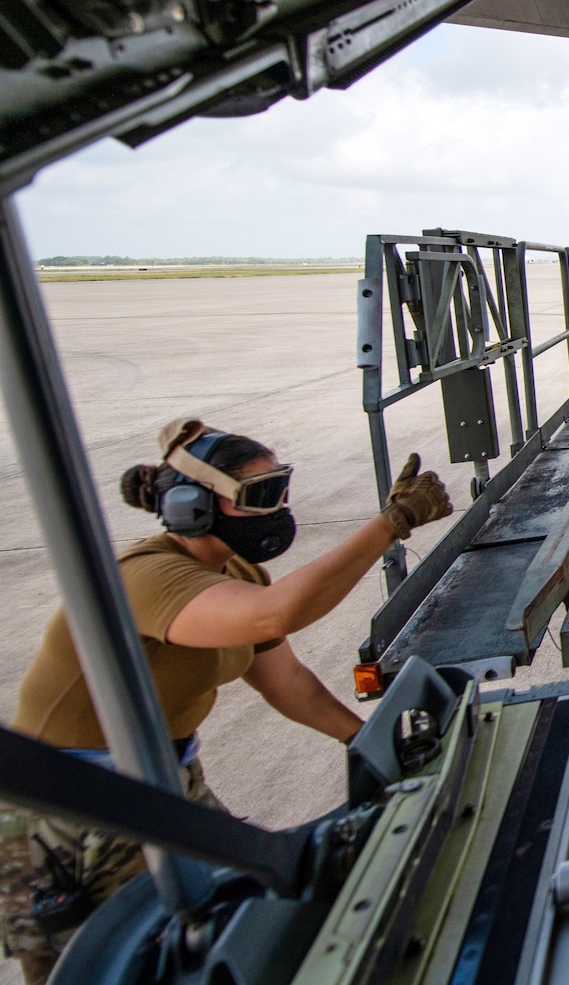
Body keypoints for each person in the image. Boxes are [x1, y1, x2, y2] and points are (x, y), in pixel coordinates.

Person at [0, 418, 451, 984]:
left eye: (280, 490)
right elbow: (277, 613)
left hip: (165, 779)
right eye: (260, 496)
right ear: (191, 505)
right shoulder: (145, 576)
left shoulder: (237, 572)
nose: (277, 509)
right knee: (109, 963)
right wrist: (391, 524)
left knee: (224, 922)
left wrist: (371, 743)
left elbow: (285, 682)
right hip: (72, 808)